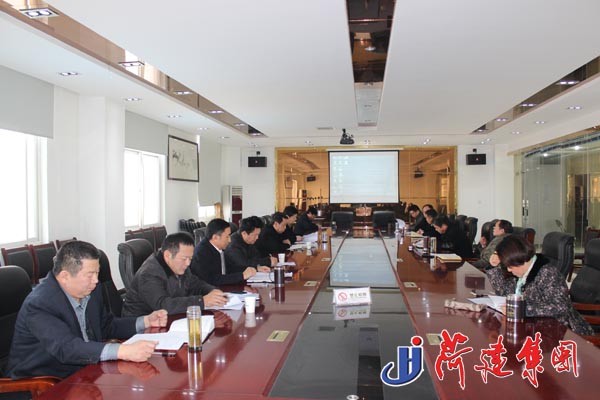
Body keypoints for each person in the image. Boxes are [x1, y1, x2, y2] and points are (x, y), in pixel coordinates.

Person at [7, 241, 168, 379]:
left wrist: (145, 321)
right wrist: (122, 351)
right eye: (90, 275)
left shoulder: (91, 291)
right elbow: (66, 348)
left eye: (97, 273)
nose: (96, 280)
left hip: (85, 373)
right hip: (45, 383)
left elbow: (107, 326)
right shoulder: (40, 303)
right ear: (65, 276)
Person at [487, 235, 593, 335]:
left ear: (518, 258)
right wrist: (493, 266)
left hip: (565, 332)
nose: (509, 270)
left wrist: (521, 310)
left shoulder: (547, 273)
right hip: (535, 328)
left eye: (510, 266)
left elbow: (561, 307)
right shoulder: (521, 273)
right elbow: (504, 292)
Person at [122, 232, 228, 317]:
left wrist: (212, 291)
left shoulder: (178, 265)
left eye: (190, 258)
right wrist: (202, 301)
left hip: (168, 319)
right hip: (141, 326)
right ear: (167, 255)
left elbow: (195, 283)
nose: (188, 263)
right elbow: (163, 305)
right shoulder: (149, 273)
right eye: (184, 258)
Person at [190, 218, 257, 285]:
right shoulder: (201, 253)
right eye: (227, 237)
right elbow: (211, 280)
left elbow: (230, 268)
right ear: (215, 237)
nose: (230, 240)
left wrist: (250, 269)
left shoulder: (219, 248)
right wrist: (242, 276)